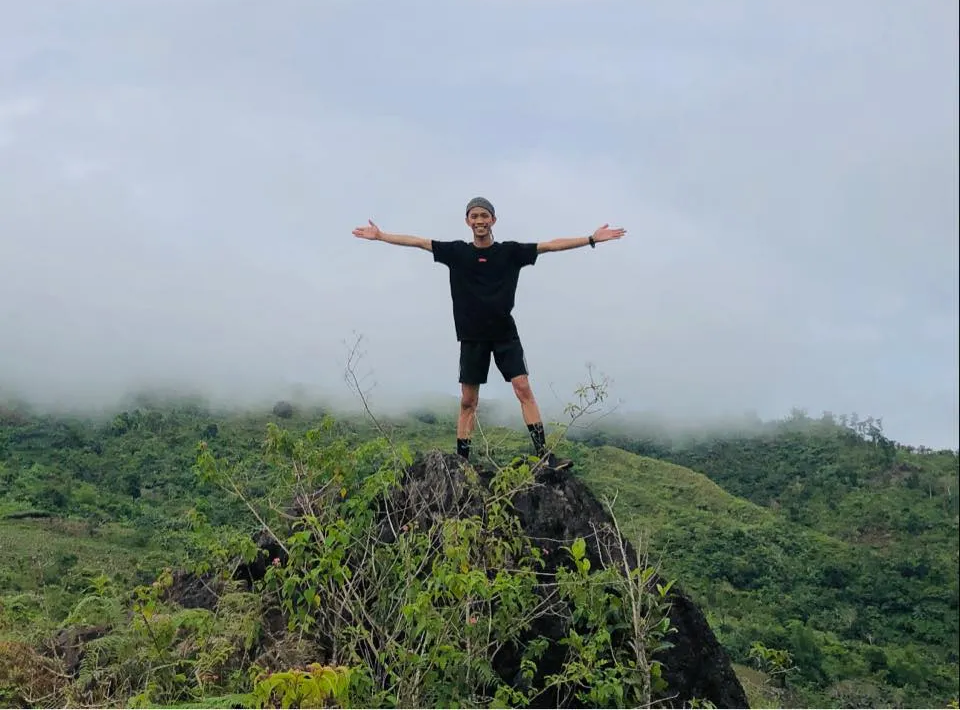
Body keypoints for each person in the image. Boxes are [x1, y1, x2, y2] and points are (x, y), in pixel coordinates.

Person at [352, 196, 625, 466]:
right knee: (468, 401)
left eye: (484, 215)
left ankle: (544, 456)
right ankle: (462, 464)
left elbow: (550, 246)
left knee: (523, 389)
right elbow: (419, 242)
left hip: (505, 333)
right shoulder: (457, 252)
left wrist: (591, 239)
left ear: (493, 220)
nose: (480, 220)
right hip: (472, 337)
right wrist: (381, 236)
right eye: (474, 216)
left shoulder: (510, 252)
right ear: (467, 221)